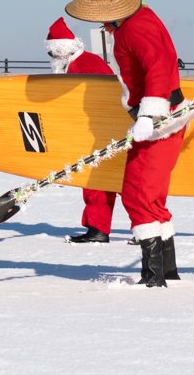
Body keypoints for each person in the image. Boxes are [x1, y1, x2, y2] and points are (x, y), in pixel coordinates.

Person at [65, 0, 193, 288]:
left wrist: (149, 116)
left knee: (137, 196)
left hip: (160, 121)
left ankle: (153, 280)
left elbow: (160, 68)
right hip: (159, 118)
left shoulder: (137, 28)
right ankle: (168, 272)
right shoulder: (133, 22)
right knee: (150, 198)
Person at [45, 16, 124, 244]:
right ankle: (113, 227)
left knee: (99, 182)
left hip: (101, 132)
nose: (52, 59)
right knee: (108, 182)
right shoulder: (79, 64)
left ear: (62, 51)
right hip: (100, 131)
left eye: (52, 54)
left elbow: (101, 99)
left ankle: (103, 229)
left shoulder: (85, 65)